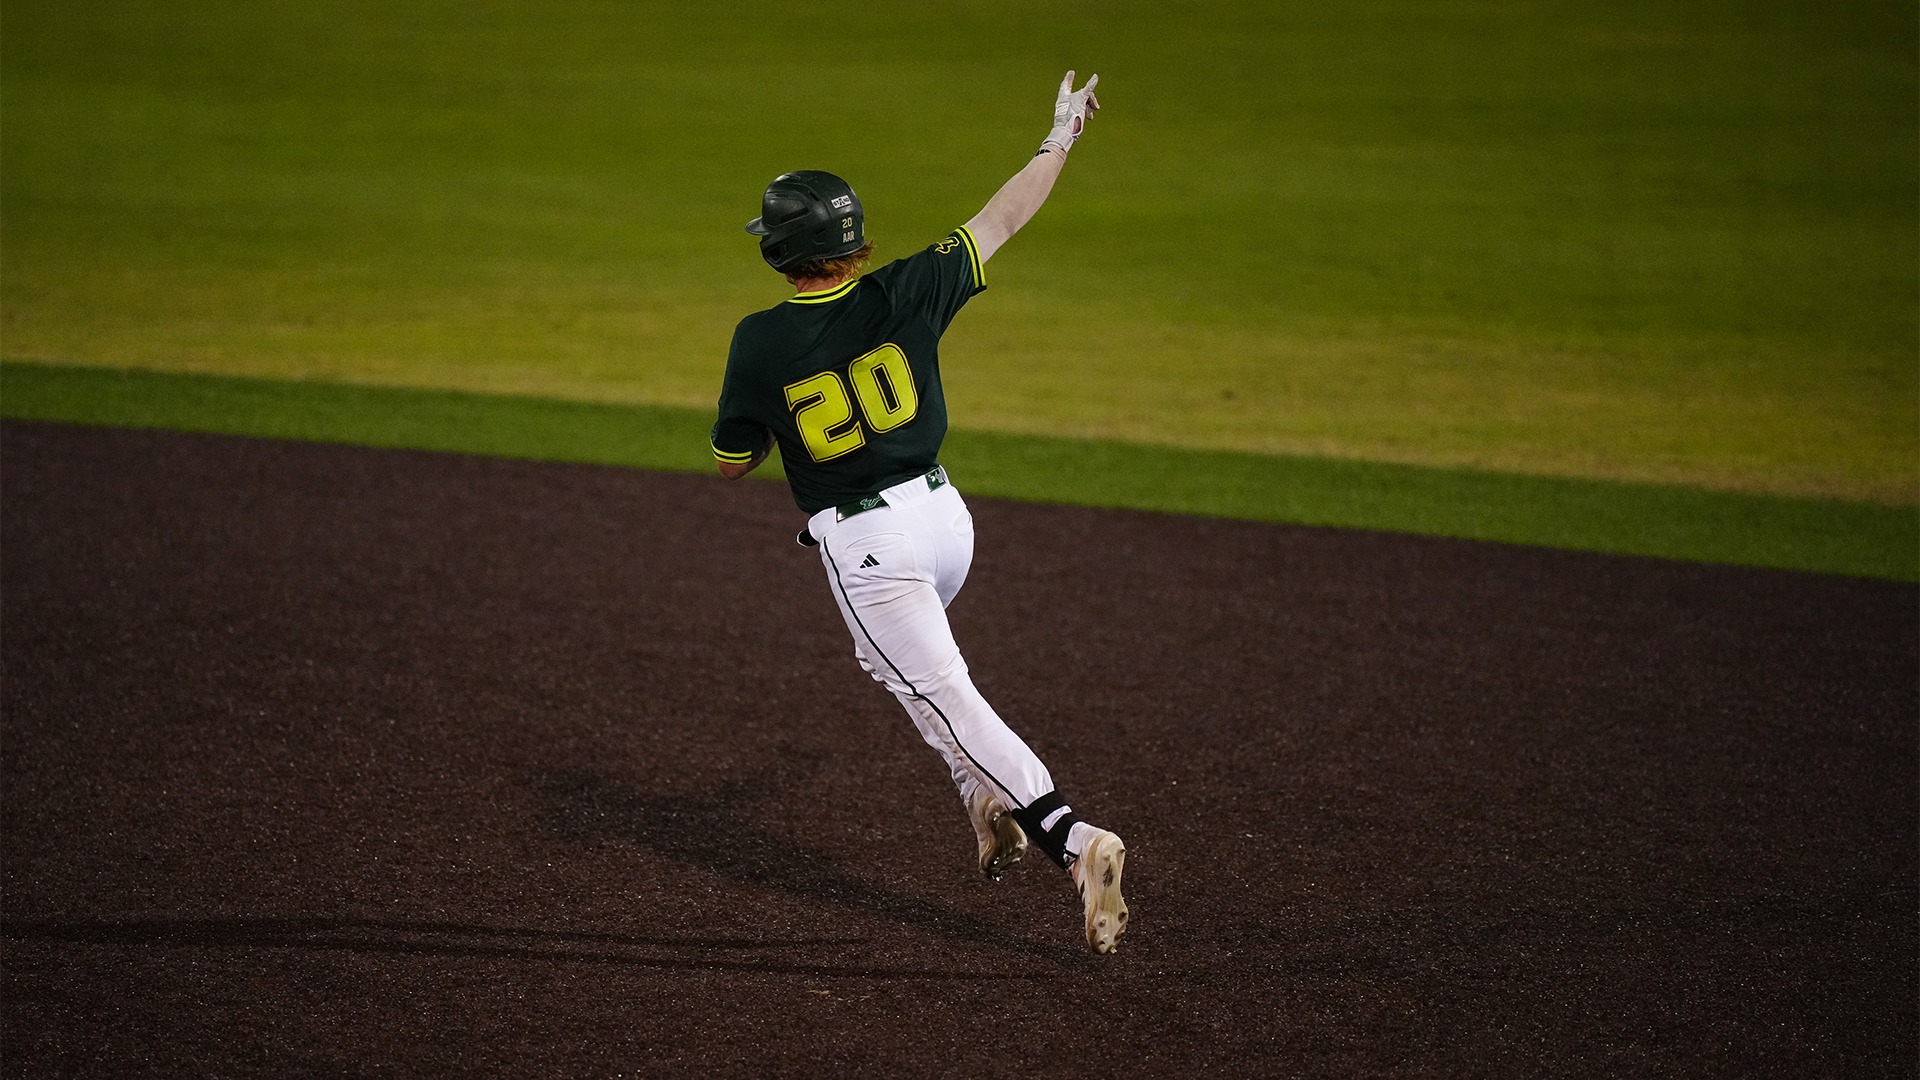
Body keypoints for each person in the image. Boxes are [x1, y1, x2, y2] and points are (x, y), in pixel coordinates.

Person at [709, 73, 1127, 954]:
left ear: (779, 252)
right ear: (853, 242)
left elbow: (731, 460)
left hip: (869, 545)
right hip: (947, 523)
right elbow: (1002, 217)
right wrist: (1058, 137)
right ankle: (981, 800)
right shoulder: (911, 289)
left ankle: (1074, 840)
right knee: (892, 664)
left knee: (946, 692)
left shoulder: (759, 340)